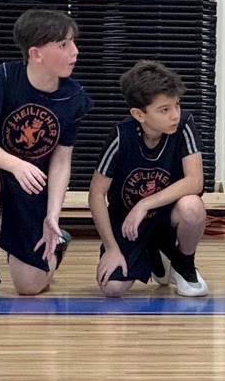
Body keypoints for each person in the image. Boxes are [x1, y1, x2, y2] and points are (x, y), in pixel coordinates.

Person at [0, 9, 93, 303]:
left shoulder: (74, 97)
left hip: (32, 183)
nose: (75, 52)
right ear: (36, 54)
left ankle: (56, 244)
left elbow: (61, 161)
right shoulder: (5, 78)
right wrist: (16, 164)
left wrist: (53, 215)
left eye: (73, 43)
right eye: (63, 45)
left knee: (29, 287)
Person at [89, 60, 208, 298]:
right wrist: (112, 248)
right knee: (113, 288)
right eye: (164, 110)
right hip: (128, 223)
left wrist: (144, 204)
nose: (174, 115)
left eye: (176, 105)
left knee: (192, 206)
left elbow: (195, 182)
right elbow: (96, 194)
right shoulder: (121, 137)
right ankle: (153, 254)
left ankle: (183, 263)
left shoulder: (184, 125)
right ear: (138, 114)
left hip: (165, 216)